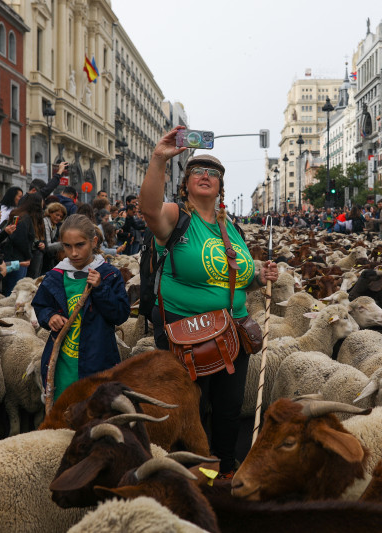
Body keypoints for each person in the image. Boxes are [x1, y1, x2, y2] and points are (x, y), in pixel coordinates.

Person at [139, 126, 279, 477]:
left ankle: (225, 473)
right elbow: (148, 209)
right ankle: (193, 475)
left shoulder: (232, 228)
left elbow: (239, 279)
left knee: (230, 409)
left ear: (221, 186)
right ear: (186, 183)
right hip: (186, 332)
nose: (205, 176)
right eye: (198, 171)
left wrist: (260, 277)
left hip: (232, 332)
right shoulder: (176, 218)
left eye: (213, 173)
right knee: (191, 412)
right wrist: (159, 158)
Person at [32, 214, 130, 402]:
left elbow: (120, 314)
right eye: (67, 246)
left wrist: (100, 289)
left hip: (98, 361)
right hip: (63, 363)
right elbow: (41, 305)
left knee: (95, 414)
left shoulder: (109, 275)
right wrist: (49, 316)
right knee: (64, 412)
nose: (73, 253)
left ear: (93, 242)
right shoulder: (55, 276)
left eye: (79, 245)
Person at [1, 194, 45, 294]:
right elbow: (20, 239)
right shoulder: (25, 218)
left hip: (14, 256)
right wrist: (28, 256)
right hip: (18, 258)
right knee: (14, 290)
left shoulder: (21, 215)